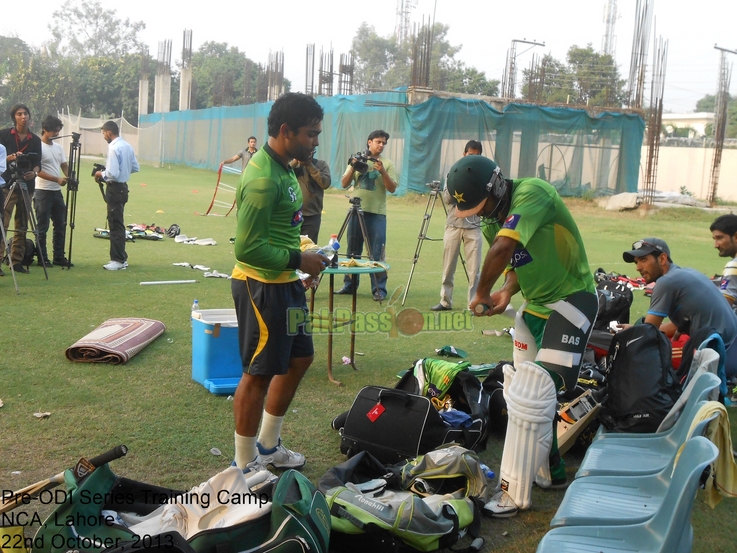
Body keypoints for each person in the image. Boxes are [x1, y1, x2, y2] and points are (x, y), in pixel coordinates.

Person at [447, 155, 596, 518]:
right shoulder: (490, 221)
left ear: (498, 186)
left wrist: (480, 292)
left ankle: (513, 494)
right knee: (521, 396)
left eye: (483, 207)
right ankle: (552, 473)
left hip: (571, 301)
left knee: (535, 393)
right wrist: (506, 292)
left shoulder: (533, 192)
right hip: (536, 306)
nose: (482, 217)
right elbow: (516, 262)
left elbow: (502, 249)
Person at [230, 92, 327, 474]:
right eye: (311, 134)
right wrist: (298, 259)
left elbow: (283, 227)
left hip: (286, 281)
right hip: (262, 287)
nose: (316, 141)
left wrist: (306, 248)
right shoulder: (262, 179)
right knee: (258, 374)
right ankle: (244, 465)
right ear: (286, 131)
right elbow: (247, 248)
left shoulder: (287, 166)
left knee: (301, 358)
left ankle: (268, 447)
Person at [622, 237, 737, 378]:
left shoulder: (666, 282)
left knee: (640, 355)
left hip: (721, 355)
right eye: (636, 262)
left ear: (662, 259)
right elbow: (676, 325)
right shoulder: (686, 273)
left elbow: (647, 333)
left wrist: (630, 334)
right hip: (731, 347)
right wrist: (634, 328)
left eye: (644, 260)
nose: (638, 267)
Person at [337, 130, 398, 301]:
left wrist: (382, 172)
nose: (381, 145)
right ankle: (349, 286)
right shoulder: (358, 158)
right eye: (378, 141)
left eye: (384, 143)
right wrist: (354, 166)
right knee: (352, 252)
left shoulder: (387, 163)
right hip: (356, 211)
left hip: (377, 213)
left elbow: (392, 188)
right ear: (369, 142)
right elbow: (343, 183)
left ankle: (379, 290)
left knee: (376, 253)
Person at [431, 140, 484, 311]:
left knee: (474, 271)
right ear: (464, 154)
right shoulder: (454, 173)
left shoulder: (483, 175)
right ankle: (445, 301)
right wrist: (461, 188)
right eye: (470, 154)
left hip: (474, 226)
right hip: (453, 225)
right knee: (448, 268)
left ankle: (473, 304)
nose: (472, 158)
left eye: (476, 155)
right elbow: (446, 199)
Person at [0, 104, 42, 275]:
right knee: (3, 223)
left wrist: (35, 173)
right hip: (8, 184)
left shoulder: (35, 140)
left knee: (22, 224)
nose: (23, 117)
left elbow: (38, 163)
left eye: (26, 114)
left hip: (27, 185)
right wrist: (12, 157)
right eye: (19, 114)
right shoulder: (4, 135)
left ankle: (16, 261)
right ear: (14, 118)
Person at [94, 121, 139, 271]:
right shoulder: (127, 146)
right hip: (123, 188)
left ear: (108, 132)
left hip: (114, 188)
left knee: (115, 224)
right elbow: (134, 167)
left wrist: (101, 173)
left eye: (103, 134)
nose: (104, 137)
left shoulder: (113, 148)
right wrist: (122, 171)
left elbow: (112, 173)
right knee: (118, 222)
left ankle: (118, 260)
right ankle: (121, 258)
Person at [33, 115, 73, 268]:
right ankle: (43, 258)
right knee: (42, 227)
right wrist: (56, 179)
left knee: (60, 224)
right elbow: (37, 171)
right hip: (42, 191)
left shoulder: (58, 147)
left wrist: (69, 175)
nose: (57, 134)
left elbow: (63, 164)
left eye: (58, 131)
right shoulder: (37, 146)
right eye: (55, 131)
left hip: (56, 192)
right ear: (45, 129)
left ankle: (58, 256)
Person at [291, 149, 331, 243]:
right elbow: (283, 173)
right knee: (290, 245)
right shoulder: (292, 164)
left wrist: (309, 165)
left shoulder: (320, 164)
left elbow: (325, 183)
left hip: (312, 215)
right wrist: (295, 161)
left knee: (309, 248)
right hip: (293, 214)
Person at [710, 214, 737, 315]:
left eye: (719, 238)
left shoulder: (734, 265)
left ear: (736, 237)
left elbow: (723, 307)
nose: (716, 245)